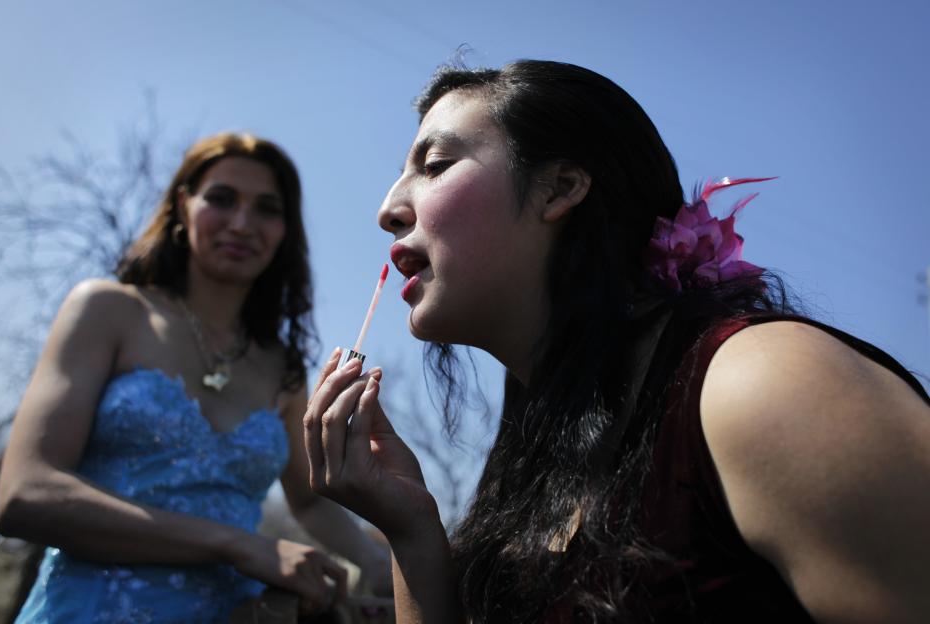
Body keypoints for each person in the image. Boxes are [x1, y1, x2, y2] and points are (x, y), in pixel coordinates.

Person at [303, 60, 930, 623]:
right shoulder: (540, 436)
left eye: (435, 166)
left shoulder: (768, 386)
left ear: (560, 189)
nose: (388, 207)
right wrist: (413, 533)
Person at [0, 133, 391, 623]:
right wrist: (233, 544)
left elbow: (309, 504)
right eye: (222, 199)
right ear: (183, 206)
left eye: (267, 208)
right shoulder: (108, 310)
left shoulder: (283, 369)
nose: (242, 224)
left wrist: (380, 563)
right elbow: (25, 494)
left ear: (285, 231)